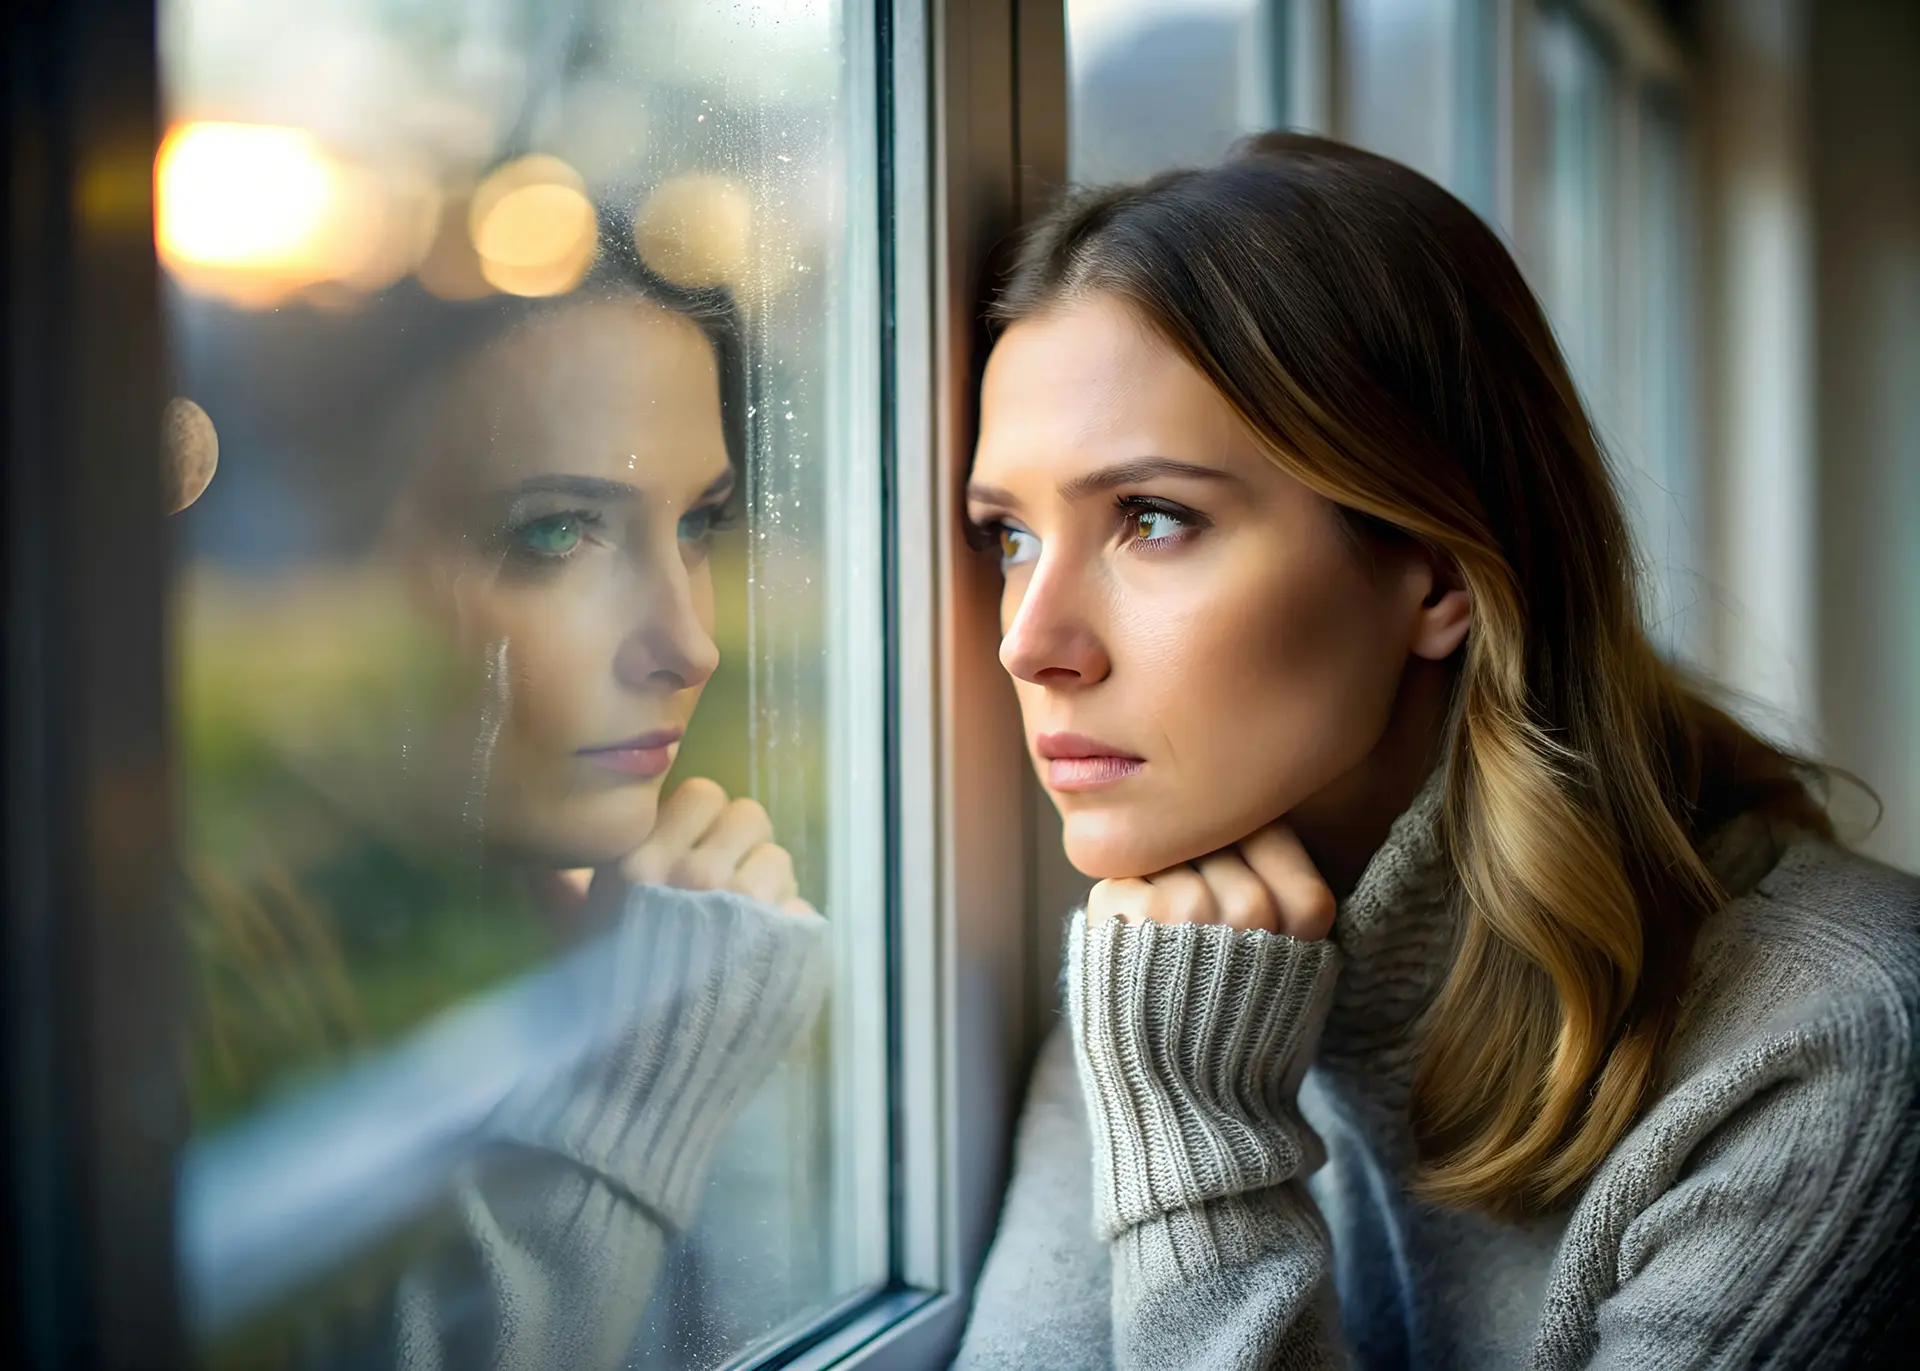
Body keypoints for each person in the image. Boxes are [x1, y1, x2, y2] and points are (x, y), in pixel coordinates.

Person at [953, 133, 1919, 1369]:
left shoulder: (1834, 1035)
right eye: (1009, 538)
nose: (1028, 645)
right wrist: (1178, 1089)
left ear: (1440, 572)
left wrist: (1199, 1153)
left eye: (1153, 518)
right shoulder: (1171, 976)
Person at [177, 240, 829, 1370]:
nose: (690, 644)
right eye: (556, 533)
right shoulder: (198, 1001)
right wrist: (631, 1110)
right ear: (334, 573)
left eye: (698, 526)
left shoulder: (553, 919)